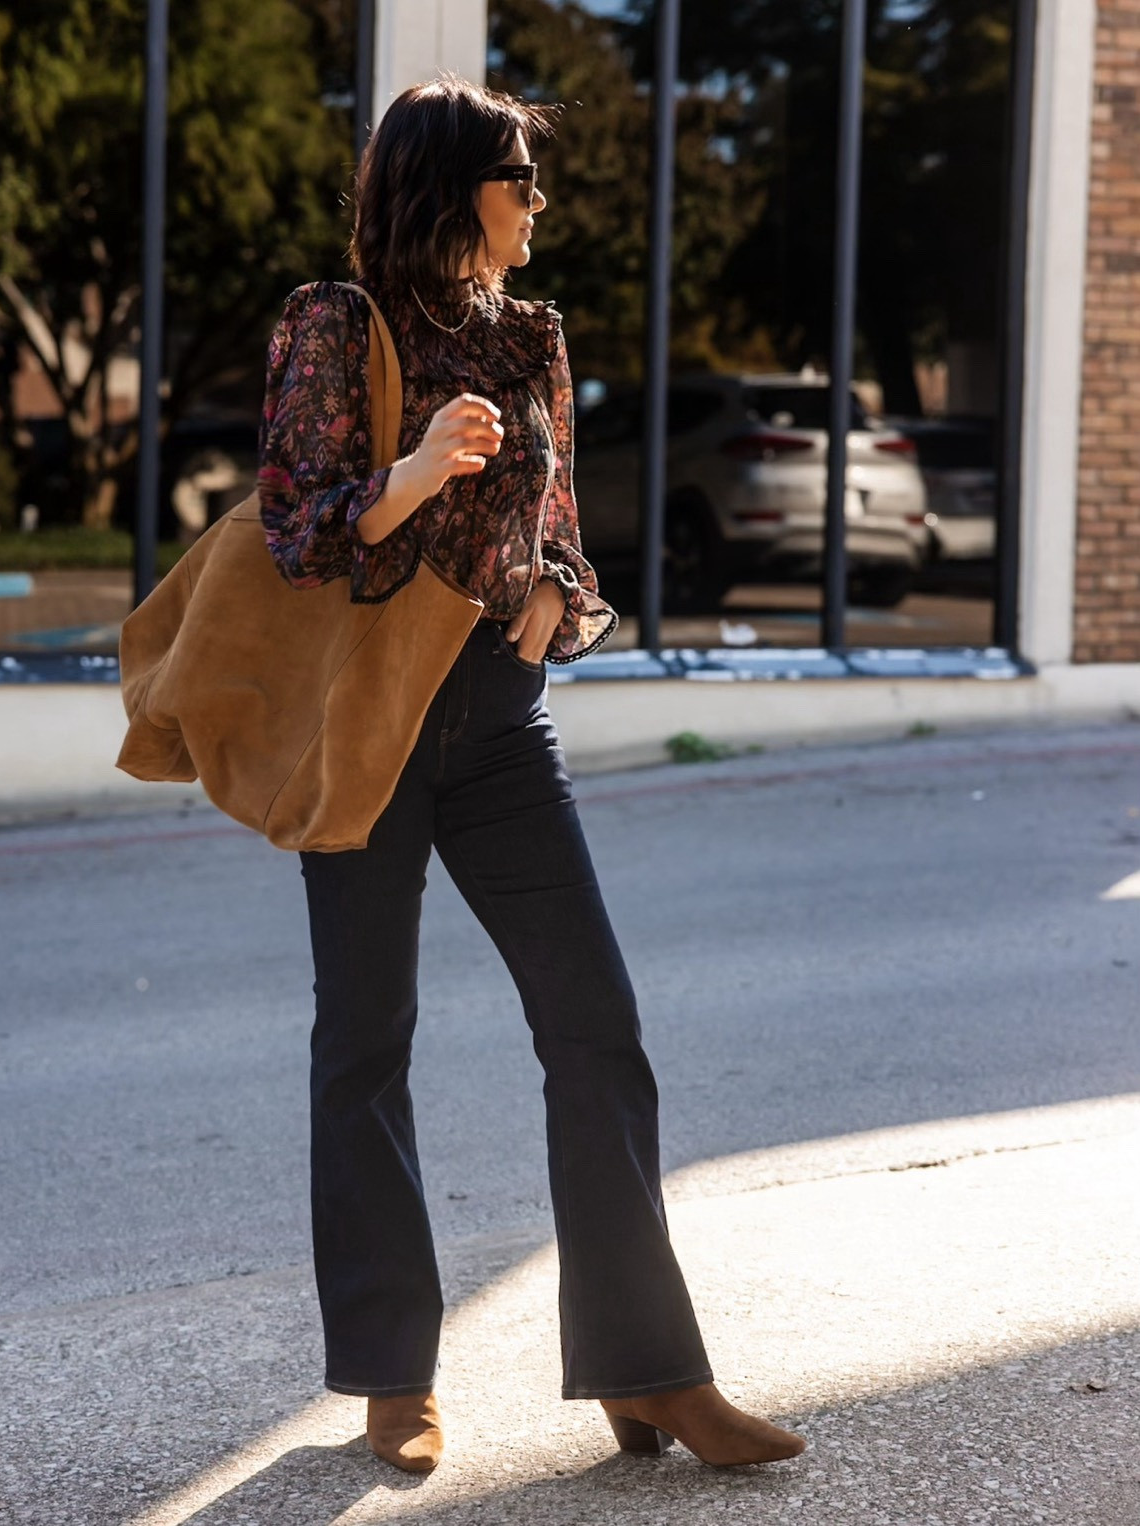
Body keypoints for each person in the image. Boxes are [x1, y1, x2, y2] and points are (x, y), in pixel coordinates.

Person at [255, 75, 806, 1476]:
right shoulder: (336, 323)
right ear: (449, 185)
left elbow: (559, 533)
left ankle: (651, 1372)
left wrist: (564, 604)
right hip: (369, 724)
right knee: (365, 1040)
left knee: (595, 1024)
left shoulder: (530, 334)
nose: (537, 200)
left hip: (499, 723)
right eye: (517, 175)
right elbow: (299, 532)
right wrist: (419, 467)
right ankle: (392, 1377)